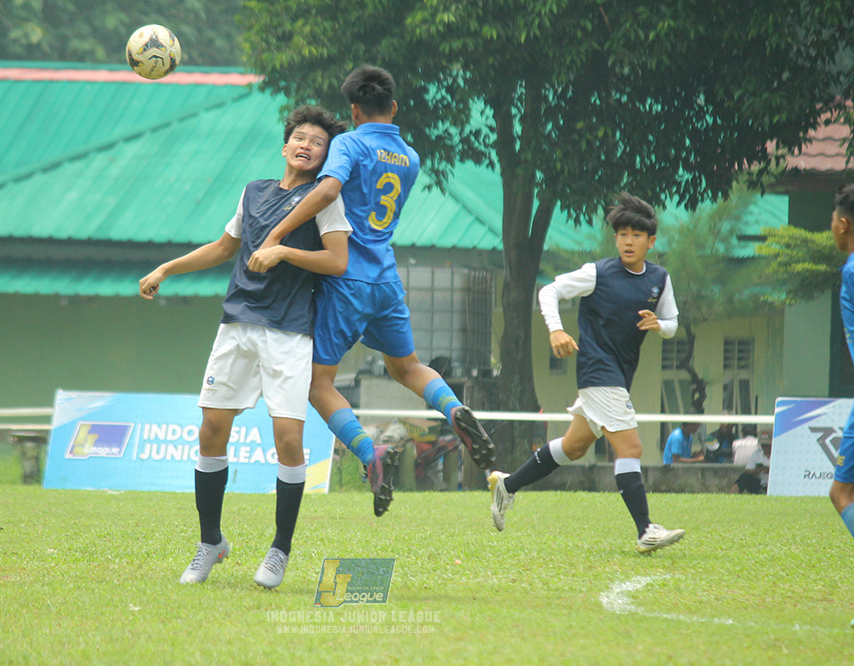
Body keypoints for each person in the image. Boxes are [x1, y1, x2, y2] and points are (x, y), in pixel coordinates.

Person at [247, 65, 495, 516]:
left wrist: (277, 236)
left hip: (347, 279)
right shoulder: (411, 157)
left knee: (317, 382)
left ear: (354, 109)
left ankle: (368, 452)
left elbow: (327, 193)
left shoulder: (349, 143)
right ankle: (455, 409)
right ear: (394, 107)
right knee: (408, 367)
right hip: (385, 277)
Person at [139, 105, 350, 589]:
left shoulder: (324, 200)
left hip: (290, 331)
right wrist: (165, 269)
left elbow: (337, 261)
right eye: (299, 136)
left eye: (317, 142)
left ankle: (279, 550)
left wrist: (284, 250)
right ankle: (210, 541)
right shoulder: (253, 192)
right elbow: (221, 247)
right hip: (237, 324)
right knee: (211, 431)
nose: (306, 144)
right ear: (284, 146)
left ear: (323, 158)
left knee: (289, 441)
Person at [487, 192, 685, 554]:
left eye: (636, 235)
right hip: (598, 370)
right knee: (631, 446)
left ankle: (508, 485)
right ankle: (645, 530)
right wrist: (556, 329)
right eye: (622, 233)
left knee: (574, 447)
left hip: (619, 374)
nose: (628, 240)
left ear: (650, 242)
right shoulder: (598, 273)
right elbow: (549, 292)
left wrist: (660, 325)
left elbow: (673, 322)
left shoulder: (659, 278)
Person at [828, 183, 854, 546]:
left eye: (832, 220)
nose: (831, 226)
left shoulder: (851, 272)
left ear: (844, 224)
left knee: (842, 493)